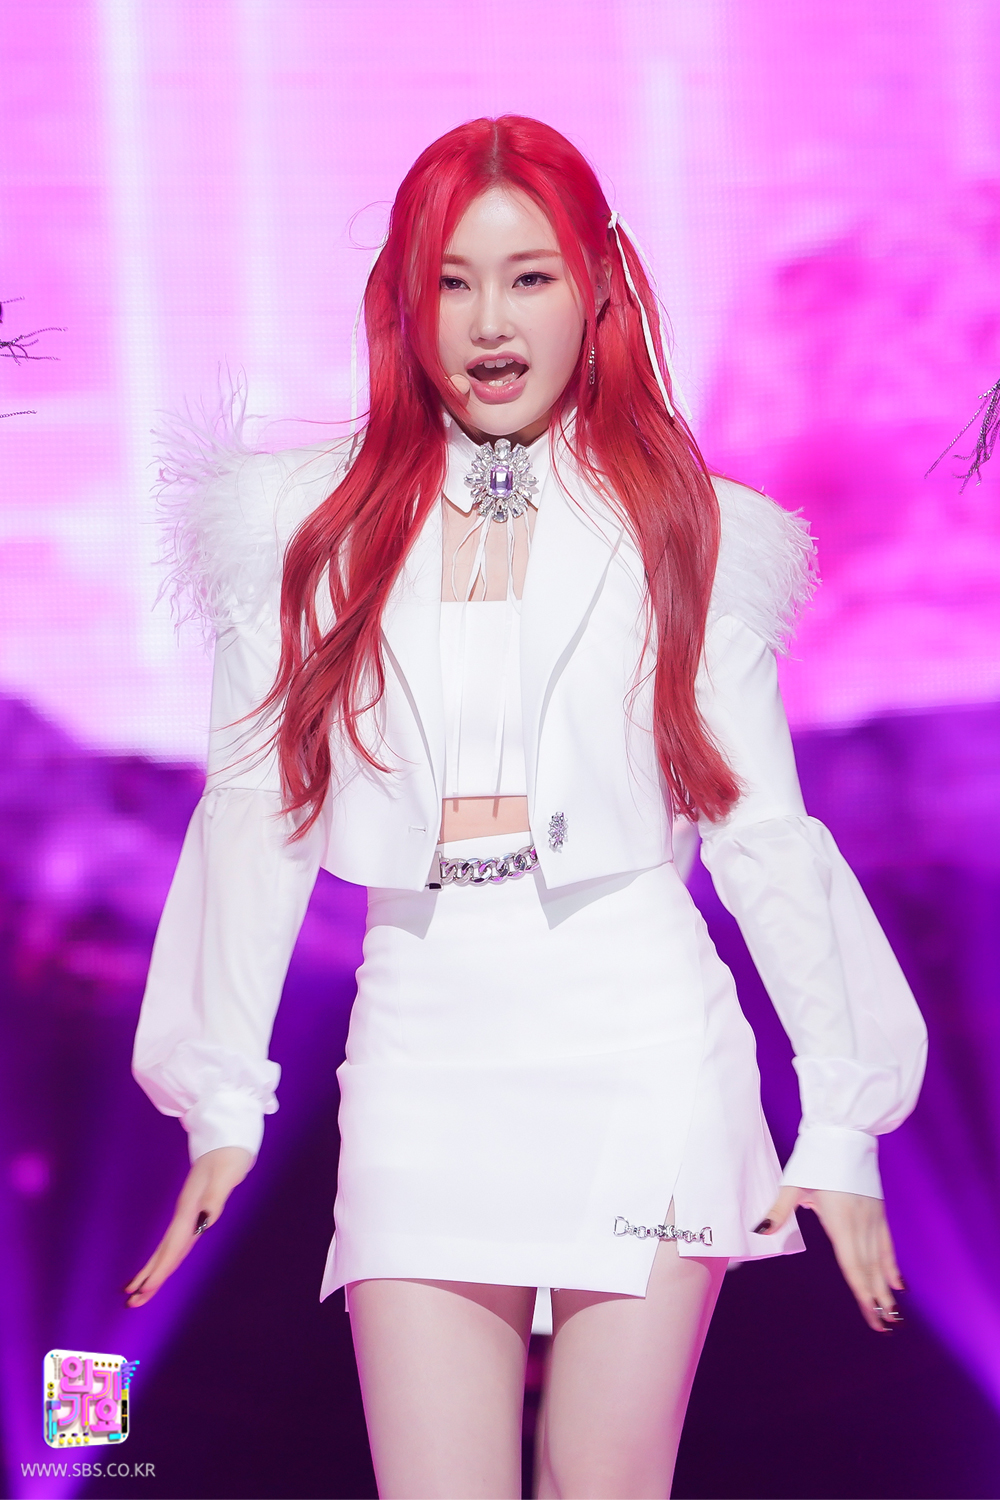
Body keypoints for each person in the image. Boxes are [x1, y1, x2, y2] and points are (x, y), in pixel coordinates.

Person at [125, 116, 927, 1499]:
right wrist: (219, 1096)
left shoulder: (693, 532)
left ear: (595, 288)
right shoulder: (302, 534)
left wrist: (843, 1117)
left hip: (640, 1037)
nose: (489, 322)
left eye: (530, 277)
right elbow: (254, 813)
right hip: (424, 1038)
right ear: (404, 299)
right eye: (452, 281)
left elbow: (762, 836)